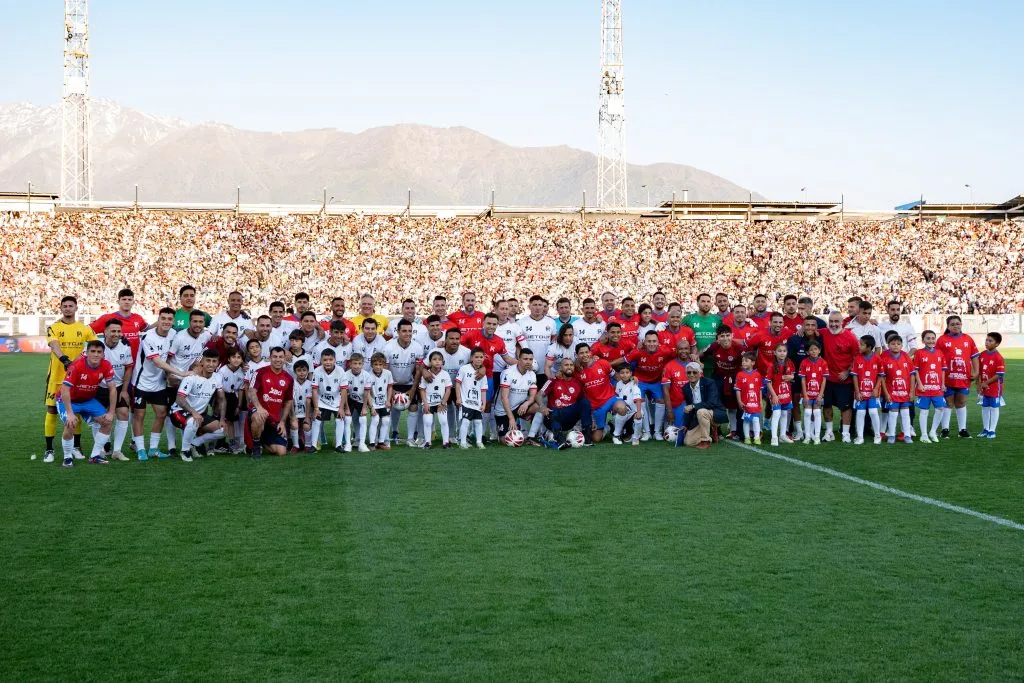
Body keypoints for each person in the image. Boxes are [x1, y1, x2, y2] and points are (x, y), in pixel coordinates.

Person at [43, 295, 96, 463]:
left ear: (76, 308)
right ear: (61, 308)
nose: (67, 308)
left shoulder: (84, 328)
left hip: (77, 379)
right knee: (51, 410)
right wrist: (65, 359)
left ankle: (76, 447)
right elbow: (54, 344)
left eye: (70, 305)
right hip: (57, 377)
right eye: (64, 306)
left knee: (76, 412)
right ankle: (49, 449)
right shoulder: (54, 327)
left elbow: (96, 345)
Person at [132, 308, 189, 460]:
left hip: (159, 383)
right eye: (163, 318)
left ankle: (153, 449)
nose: (166, 322)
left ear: (174, 321)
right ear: (158, 319)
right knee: (140, 415)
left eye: (169, 319)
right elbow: (157, 361)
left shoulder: (173, 334)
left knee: (162, 414)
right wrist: (180, 373)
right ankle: (140, 449)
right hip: (141, 382)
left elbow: (171, 356)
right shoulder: (147, 337)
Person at [57, 340, 116, 466]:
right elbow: (65, 389)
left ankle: (95, 455)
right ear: (87, 353)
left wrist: (111, 412)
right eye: (93, 351)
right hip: (68, 400)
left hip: (88, 400)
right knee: (71, 423)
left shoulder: (106, 365)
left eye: (99, 352)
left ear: (103, 354)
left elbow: (112, 388)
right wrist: (70, 413)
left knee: (107, 422)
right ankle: (67, 457)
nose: (96, 354)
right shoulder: (76, 366)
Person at [168, 349, 225, 462]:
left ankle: (194, 443)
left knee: (222, 431)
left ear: (217, 363)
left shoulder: (217, 377)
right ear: (202, 361)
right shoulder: (191, 378)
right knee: (193, 421)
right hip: (178, 412)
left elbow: (222, 399)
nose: (211, 364)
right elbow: (180, 399)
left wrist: (222, 419)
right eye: (208, 361)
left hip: (199, 414)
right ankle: (185, 451)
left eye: (214, 361)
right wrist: (194, 413)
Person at [96, 318, 134, 460]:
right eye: (113, 331)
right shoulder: (97, 345)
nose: (116, 334)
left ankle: (117, 451)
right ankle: (100, 449)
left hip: (118, 386)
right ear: (105, 332)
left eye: (119, 331)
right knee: (100, 418)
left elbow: (128, 367)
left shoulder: (125, 346)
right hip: (99, 387)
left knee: (123, 414)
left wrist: (124, 390)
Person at [936, 315, 979, 439]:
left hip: (964, 377)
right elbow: (938, 358)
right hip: (948, 377)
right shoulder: (942, 340)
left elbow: (975, 357)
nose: (956, 326)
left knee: (961, 402)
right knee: (948, 403)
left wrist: (976, 372)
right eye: (952, 324)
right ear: (948, 326)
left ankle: (962, 430)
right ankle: (945, 430)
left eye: (958, 323)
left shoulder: (968, 339)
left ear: (961, 324)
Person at [574, 342, 628, 443]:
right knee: (596, 438)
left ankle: (617, 434)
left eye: (586, 352)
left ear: (590, 353)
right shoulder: (576, 371)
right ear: (576, 355)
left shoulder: (602, 363)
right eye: (581, 353)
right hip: (595, 406)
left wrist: (629, 382)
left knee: (621, 407)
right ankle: (609, 426)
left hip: (610, 399)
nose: (585, 355)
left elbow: (616, 376)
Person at [246, 347, 294, 458]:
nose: (278, 360)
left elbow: (288, 401)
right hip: (258, 412)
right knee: (259, 417)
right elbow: (252, 391)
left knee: (281, 452)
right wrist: (259, 407)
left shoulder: (289, 378)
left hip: (274, 418)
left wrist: (282, 421)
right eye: (275, 357)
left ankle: (261, 441)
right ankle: (256, 446)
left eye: (281, 357)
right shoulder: (260, 372)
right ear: (269, 358)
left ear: (284, 359)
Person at [535, 357, 593, 448]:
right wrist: (542, 406)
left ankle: (588, 438)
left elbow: (584, 405)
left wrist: (591, 420)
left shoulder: (578, 383)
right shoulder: (553, 381)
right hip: (552, 418)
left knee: (585, 402)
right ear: (561, 367)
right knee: (554, 410)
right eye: (566, 365)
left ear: (574, 367)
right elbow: (538, 395)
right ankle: (560, 440)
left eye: (571, 365)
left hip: (569, 419)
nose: (569, 367)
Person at [819, 312, 859, 443]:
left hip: (844, 379)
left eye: (836, 321)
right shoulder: (824, 332)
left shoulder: (851, 337)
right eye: (831, 321)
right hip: (828, 378)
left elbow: (856, 358)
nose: (834, 324)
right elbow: (811, 328)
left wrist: (847, 372)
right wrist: (801, 329)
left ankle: (846, 433)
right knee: (827, 405)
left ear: (842, 322)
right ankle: (829, 432)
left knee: (846, 407)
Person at [384, 319, 425, 446]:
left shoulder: (417, 347)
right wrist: (391, 390)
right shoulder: (388, 347)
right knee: (389, 407)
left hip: (409, 383)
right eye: (404, 331)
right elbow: (385, 371)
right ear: (398, 332)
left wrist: (413, 390)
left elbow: (418, 370)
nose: (407, 334)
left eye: (410, 331)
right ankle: (391, 433)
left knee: (413, 407)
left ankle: (410, 438)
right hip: (393, 382)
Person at [627, 330, 674, 440]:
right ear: (644, 342)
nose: (652, 344)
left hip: (657, 381)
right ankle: (646, 432)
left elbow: (676, 358)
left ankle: (657, 431)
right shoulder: (638, 352)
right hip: (640, 381)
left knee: (661, 401)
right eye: (649, 341)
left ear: (658, 342)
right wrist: (632, 376)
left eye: (654, 341)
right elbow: (628, 365)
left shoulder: (665, 351)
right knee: (640, 401)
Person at [89, 288, 148, 360]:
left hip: (135, 364)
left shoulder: (138, 318)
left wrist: (162, 322)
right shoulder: (107, 318)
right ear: (118, 301)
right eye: (124, 299)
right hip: (112, 362)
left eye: (129, 300)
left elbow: (149, 328)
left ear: (133, 302)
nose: (127, 302)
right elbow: (87, 330)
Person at [495, 348, 539, 442]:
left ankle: (531, 435)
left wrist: (527, 403)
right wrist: (511, 418)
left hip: (519, 407)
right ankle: (515, 427)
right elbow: (504, 398)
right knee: (505, 441)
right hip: (503, 411)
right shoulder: (508, 373)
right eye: (525, 359)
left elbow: (532, 397)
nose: (528, 362)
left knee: (538, 405)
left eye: (530, 359)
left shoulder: (532, 374)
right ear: (519, 359)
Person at [680, 362, 726, 448]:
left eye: (694, 372)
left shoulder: (709, 383)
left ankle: (705, 441)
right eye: (689, 372)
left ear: (700, 373)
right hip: (699, 417)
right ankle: (711, 433)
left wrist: (693, 406)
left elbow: (712, 403)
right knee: (688, 442)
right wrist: (686, 425)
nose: (691, 374)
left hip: (715, 412)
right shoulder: (685, 388)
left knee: (701, 412)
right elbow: (689, 410)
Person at [879, 335, 915, 444]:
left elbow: (912, 375)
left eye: (898, 344)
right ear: (888, 345)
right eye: (893, 344)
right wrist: (886, 393)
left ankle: (907, 435)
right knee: (893, 412)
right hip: (892, 392)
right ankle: (891, 435)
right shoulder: (884, 358)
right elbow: (882, 377)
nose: (896, 346)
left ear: (902, 345)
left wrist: (912, 391)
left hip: (905, 391)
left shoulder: (906, 357)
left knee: (905, 412)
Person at [310, 348, 346, 452]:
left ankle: (338, 445)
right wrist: (316, 408)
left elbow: (344, 390)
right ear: (321, 360)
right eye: (325, 360)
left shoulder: (340, 371)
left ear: (335, 360)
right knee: (317, 419)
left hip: (336, 400)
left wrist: (341, 408)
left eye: (330, 359)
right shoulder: (317, 371)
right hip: (322, 400)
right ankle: (314, 445)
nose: (328, 362)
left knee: (340, 419)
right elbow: (314, 390)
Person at [913, 330, 946, 443]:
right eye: (928, 338)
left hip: (937, 388)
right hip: (924, 388)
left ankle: (932, 431)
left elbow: (942, 370)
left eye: (933, 338)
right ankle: (924, 435)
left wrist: (943, 384)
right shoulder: (919, 353)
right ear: (923, 340)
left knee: (941, 408)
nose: (931, 340)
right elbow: (915, 371)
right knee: (924, 411)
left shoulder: (940, 353)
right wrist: (920, 384)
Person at [851, 335, 883, 445]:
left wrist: (876, 388)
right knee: (860, 413)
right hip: (861, 392)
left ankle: (877, 435)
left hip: (873, 393)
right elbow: (854, 376)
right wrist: (857, 391)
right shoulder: (858, 358)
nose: (859, 346)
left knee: (873, 412)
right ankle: (860, 437)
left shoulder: (878, 358)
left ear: (869, 347)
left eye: (861, 344)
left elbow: (880, 375)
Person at [519, 295, 557, 386]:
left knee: (542, 396)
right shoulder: (521, 322)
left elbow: (554, 343)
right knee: (527, 396)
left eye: (540, 305)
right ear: (529, 307)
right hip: (527, 367)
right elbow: (518, 346)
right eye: (535, 305)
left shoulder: (551, 322)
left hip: (545, 368)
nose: (538, 307)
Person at [419, 350, 454, 448]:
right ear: (430, 362)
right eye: (434, 359)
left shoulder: (445, 374)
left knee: (443, 421)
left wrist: (443, 403)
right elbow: (422, 390)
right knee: (428, 421)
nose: (437, 361)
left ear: (443, 362)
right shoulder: (426, 375)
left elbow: (448, 389)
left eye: (440, 359)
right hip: (428, 403)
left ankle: (446, 442)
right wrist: (425, 404)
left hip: (440, 403)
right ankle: (427, 442)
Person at [455, 348, 489, 449]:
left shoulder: (483, 374)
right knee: (465, 421)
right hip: (466, 402)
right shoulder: (464, 369)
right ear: (471, 358)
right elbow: (457, 384)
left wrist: (483, 404)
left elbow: (483, 389)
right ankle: (463, 442)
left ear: (484, 358)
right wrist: (458, 398)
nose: (479, 359)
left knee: (478, 422)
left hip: (476, 403)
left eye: (481, 357)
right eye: (476, 357)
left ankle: (479, 442)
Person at [339, 352, 371, 452]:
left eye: (359, 363)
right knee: (347, 419)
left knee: (363, 419)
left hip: (362, 400)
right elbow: (345, 393)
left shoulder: (366, 375)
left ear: (363, 364)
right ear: (350, 364)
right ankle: (348, 444)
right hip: (349, 400)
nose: (357, 366)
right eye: (355, 363)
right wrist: (347, 408)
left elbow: (366, 393)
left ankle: (362, 444)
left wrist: (365, 407)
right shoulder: (345, 375)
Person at [798, 340, 828, 444]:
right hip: (807, 394)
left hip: (818, 394)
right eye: (811, 349)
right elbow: (803, 380)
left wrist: (820, 395)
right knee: (807, 413)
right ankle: (807, 436)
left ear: (819, 350)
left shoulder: (823, 362)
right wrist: (805, 395)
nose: (814, 351)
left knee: (816, 412)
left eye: (816, 349)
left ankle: (817, 437)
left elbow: (824, 380)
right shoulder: (804, 362)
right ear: (807, 352)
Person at [976, 332, 1005, 439]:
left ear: (997, 344)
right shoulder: (982, 355)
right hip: (984, 387)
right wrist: (979, 385)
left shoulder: (998, 357)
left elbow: (999, 375)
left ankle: (992, 430)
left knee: (994, 407)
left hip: (994, 388)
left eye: (990, 341)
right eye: (986, 340)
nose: (987, 342)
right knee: (984, 407)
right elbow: (979, 371)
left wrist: (986, 383)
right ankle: (985, 429)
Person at [660, 339, 692, 435]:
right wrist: (669, 411)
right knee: (679, 433)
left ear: (690, 350)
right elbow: (665, 390)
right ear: (676, 351)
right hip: (677, 405)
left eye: (686, 348)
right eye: (681, 349)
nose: (683, 351)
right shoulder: (669, 366)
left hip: (692, 403)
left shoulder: (694, 365)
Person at [365, 352, 395, 450]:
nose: (378, 367)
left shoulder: (388, 373)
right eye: (376, 365)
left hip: (384, 402)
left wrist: (388, 400)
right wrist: (371, 406)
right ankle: (372, 443)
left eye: (380, 364)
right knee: (375, 420)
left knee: (386, 421)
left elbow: (390, 387)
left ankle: (381, 442)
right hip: (374, 403)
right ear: (372, 365)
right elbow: (367, 392)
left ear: (384, 364)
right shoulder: (368, 375)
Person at [734, 352, 765, 444]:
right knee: (746, 420)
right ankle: (747, 438)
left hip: (755, 403)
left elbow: (759, 390)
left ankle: (756, 438)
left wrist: (760, 402)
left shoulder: (758, 375)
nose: (743, 362)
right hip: (745, 403)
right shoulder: (739, 375)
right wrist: (739, 401)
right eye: (743, 361)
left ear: (753, 363)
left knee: (756, 419)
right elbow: (737, 389)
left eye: (746, 361)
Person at [611, 365, 644, 446]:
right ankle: (616, 435)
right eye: (622, 373)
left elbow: (638, 399)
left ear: (631, 373)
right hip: (625, 411)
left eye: (627, 373)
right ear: (618, 374)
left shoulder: (634, 384)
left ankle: (636, 438)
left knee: (639, 416)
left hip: (634, 410)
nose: (625, 375)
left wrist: (639, 412)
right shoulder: (618, 384)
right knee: (621, 411)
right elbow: (617, 397)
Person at [289, 360, 313, 453]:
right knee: (294, 425)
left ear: (307, 371)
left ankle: (307, 444)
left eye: (304, 370)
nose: (302, 372)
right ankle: (296, 445)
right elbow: (290, 400)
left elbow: (309, 401)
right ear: (295, 372)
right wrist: (292, 416)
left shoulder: (310, 384)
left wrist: (307, 417)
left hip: (306, 412)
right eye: (299, 370)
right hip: (295, 412)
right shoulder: (292, 384)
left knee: (306, 426)